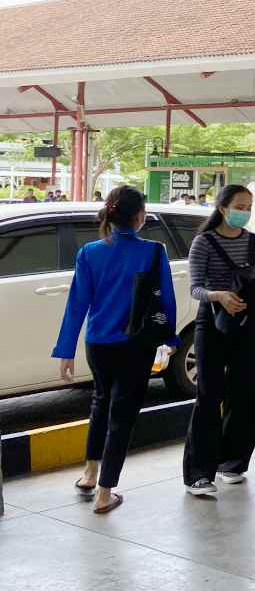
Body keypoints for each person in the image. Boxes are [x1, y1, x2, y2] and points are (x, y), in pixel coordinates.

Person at [51, 186, 178, 515]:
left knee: (101, 403)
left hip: (98, 345)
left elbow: (77, 303)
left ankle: (90, 474)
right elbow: (165, 299)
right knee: (122, 416)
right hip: (136, 346)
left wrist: (66, 350)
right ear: (139, 217)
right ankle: (106, 493)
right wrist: (172, 339)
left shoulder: (90, 252)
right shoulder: (153, 251)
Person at [182, 185, 255, 497]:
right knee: (209, 395)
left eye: (249, 206)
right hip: (212, 321)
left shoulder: (253, 241)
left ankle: (233, 462)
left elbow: (246, 275)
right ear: (223, 208)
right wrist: (219, 296)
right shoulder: (204, 242)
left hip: (245, 321)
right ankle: (199, 473)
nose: (245, 212)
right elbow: (195, 288)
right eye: (240, 206)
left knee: (245, 394)